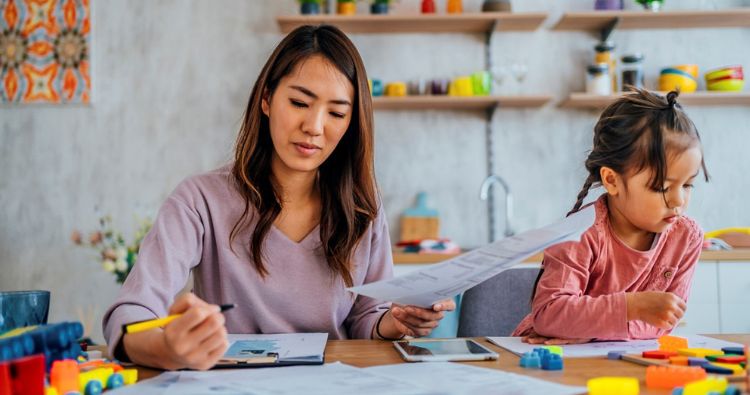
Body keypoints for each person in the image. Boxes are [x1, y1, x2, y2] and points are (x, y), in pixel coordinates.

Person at [103, 25, 454, 370]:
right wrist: (166, 348)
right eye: (300, 102)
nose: (315, 127)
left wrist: (396, 322)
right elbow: (132, 313)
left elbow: (365, 318)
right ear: (266, 100)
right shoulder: (200, 200)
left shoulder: (361, 207)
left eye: (336, 113)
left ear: (351, 124)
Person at [513, 89, 709, 344]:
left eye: (687, 185)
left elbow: (663, 324)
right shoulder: (579, 233)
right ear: (611, 180)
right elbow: (548, 315)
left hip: (614, 359)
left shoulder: (687, 237)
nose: (679, 201)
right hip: (545, 357)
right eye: (661, 187)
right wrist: (631, 307)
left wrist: (587, 328)